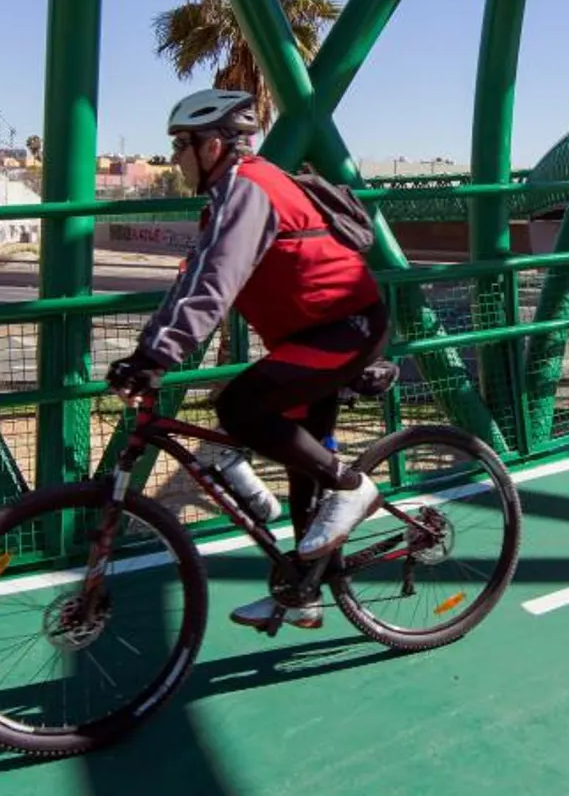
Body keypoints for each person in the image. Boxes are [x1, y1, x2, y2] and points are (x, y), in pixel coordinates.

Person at [105, 88, 389, 632]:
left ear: (213, 144)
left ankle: (355, 488)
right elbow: (191, 279)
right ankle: (303, 594)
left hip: (343, 330)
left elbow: (216, 284)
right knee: (304, 474)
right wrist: (147, 349)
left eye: (179, 146)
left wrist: (157, 357)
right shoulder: (229, 195)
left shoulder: (249, 188)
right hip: (312, 336)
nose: (175, 159)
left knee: (240, 407)